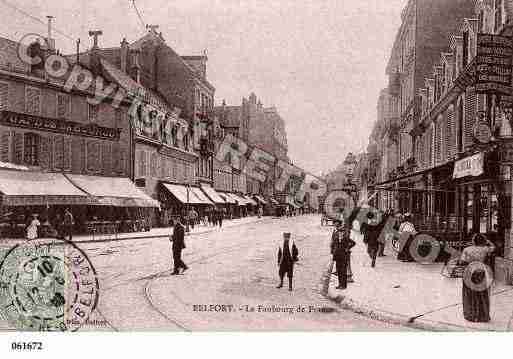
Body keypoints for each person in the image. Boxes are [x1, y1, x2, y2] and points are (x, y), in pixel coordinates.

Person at [460, 233, 495, 322]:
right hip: (480, 272)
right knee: (482, 294)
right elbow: (493, 247)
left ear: (473, 241)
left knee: (469, 294)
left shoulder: (467, 249)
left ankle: (471, 315)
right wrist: (488, 241)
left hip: (469, 272)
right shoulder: (485, 249)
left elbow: (462, 261)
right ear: (483, 241)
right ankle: (482, 316)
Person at [331, 220, 355, 289]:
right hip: (337, 255)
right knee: (339, 270)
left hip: (344, 255)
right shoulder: (336, 236)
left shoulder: (346, 237)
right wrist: (333, 250)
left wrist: (347, 248)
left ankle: (343, 285)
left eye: (341, 232)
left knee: (343, 270)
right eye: (339, 232)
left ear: (343, 232)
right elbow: (333, 244)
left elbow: (353, 243)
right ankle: (340, 284)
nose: (340, 233)